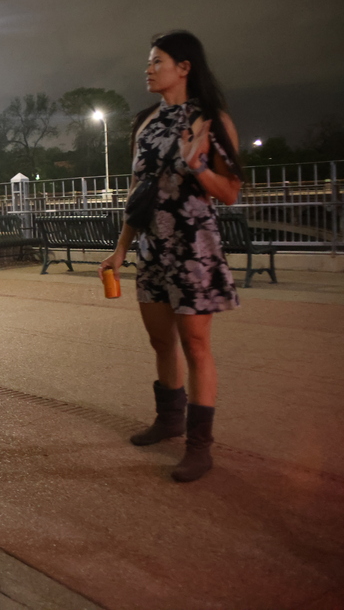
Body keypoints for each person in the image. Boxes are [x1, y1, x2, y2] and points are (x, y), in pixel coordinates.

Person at [100, 30, 243, 483]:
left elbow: (231, 192)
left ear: (184, 68)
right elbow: (138, 192)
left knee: (196, 345)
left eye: (157, 61)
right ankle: (169, 419)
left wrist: (198, 167)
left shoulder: (211, 121)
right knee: (160, 341)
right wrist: (121, 249)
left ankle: (199, 446)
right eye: (149, 61)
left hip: (193, 247)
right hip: (152, 248)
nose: (148, 69)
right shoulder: (144, 123)